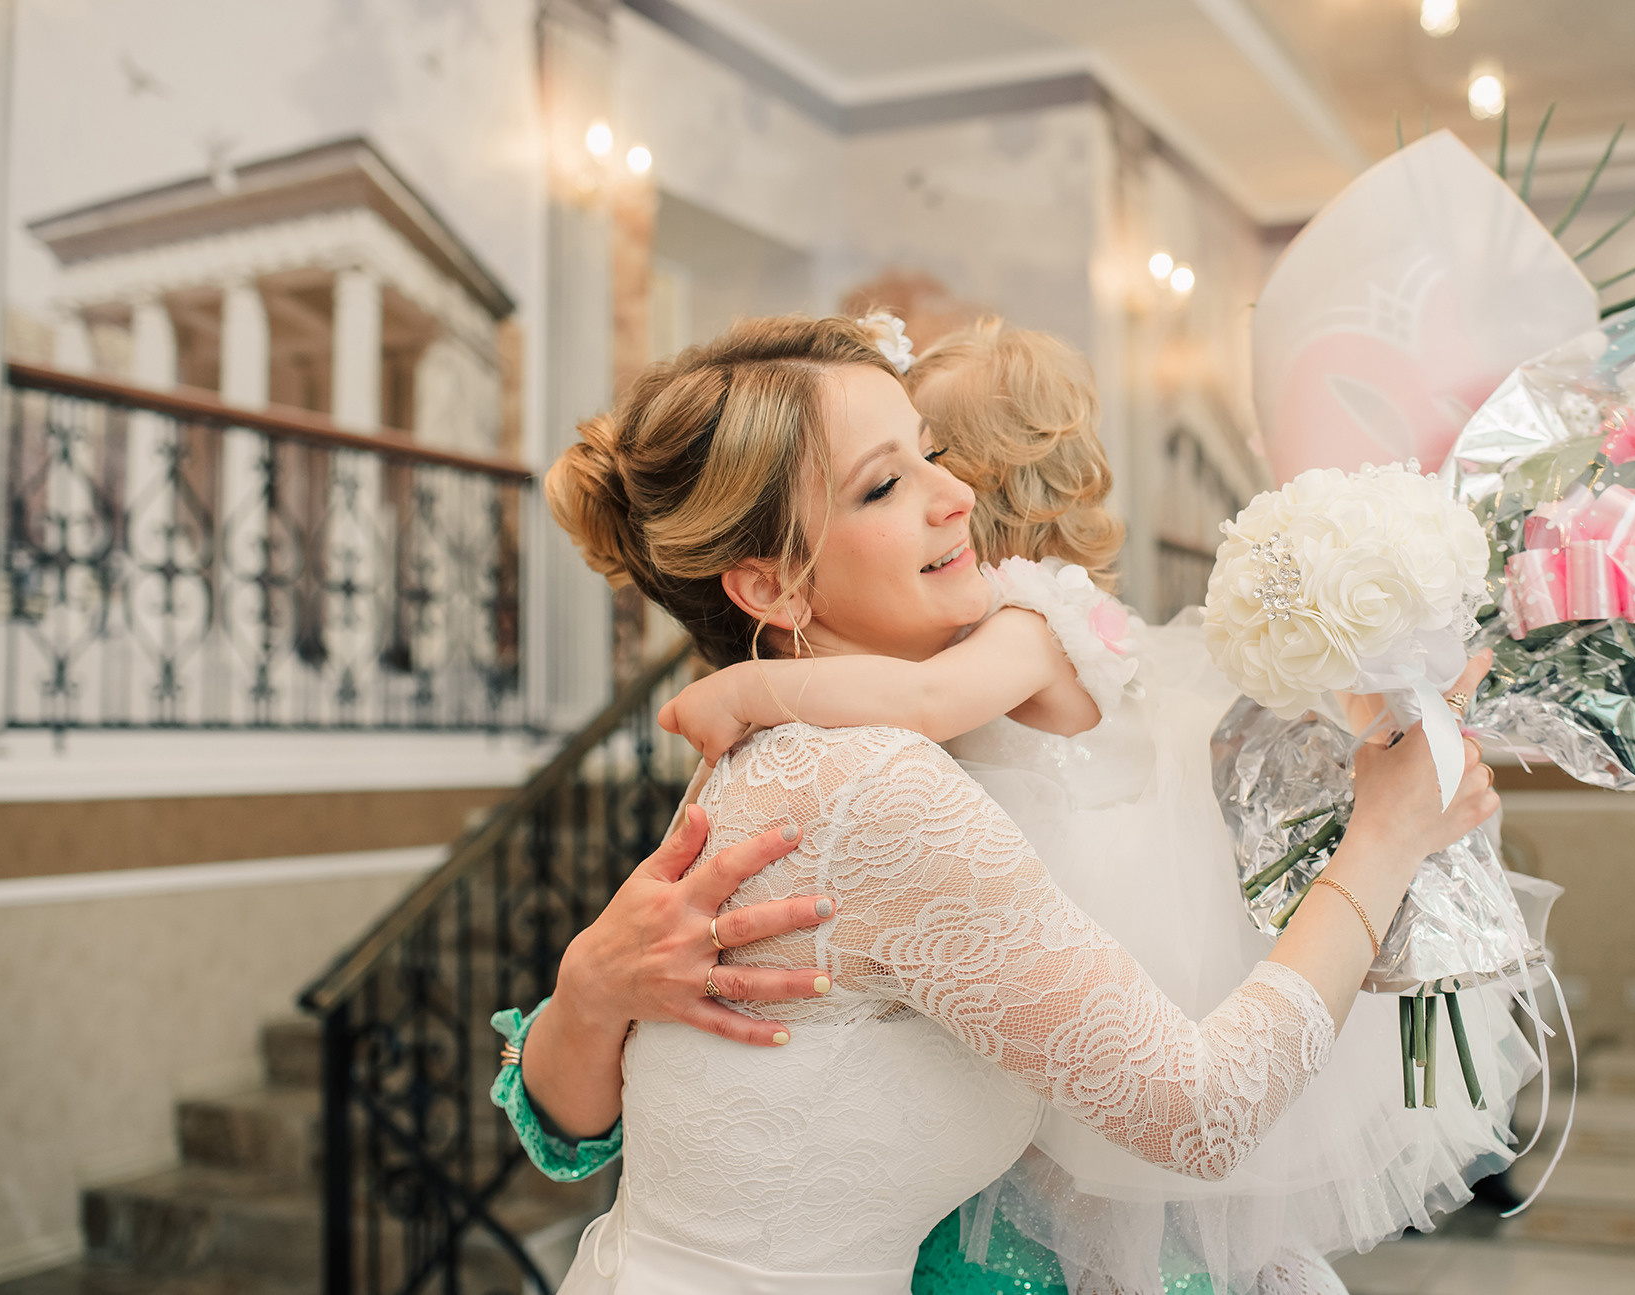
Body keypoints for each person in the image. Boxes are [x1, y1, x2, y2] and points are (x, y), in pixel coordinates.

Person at [502, 315, 1498, 1295]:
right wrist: (1383, 833)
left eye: (930, 452)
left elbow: (623, 1121)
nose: (956, 493)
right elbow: (1202, 1112)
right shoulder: (874, 783)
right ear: (773, 585)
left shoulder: (779, 756)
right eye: (885, 482)